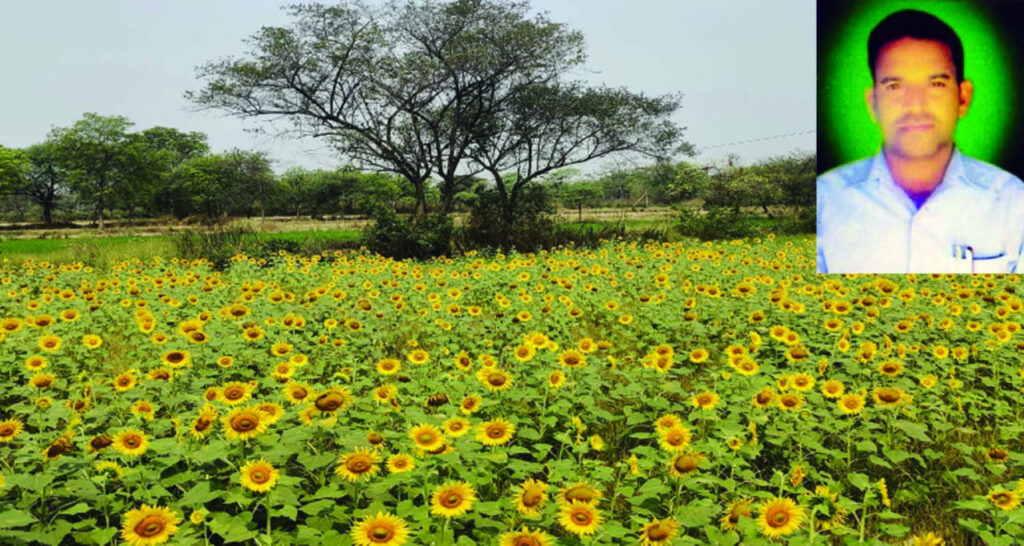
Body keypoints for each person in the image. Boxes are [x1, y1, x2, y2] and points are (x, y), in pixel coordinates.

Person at [817, 9, 1024, 274]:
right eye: (895, 86)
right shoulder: (823, 202)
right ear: (873, 103)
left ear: (963, 97)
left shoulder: (1013, 202)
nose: (915, 106)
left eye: (936, 84)